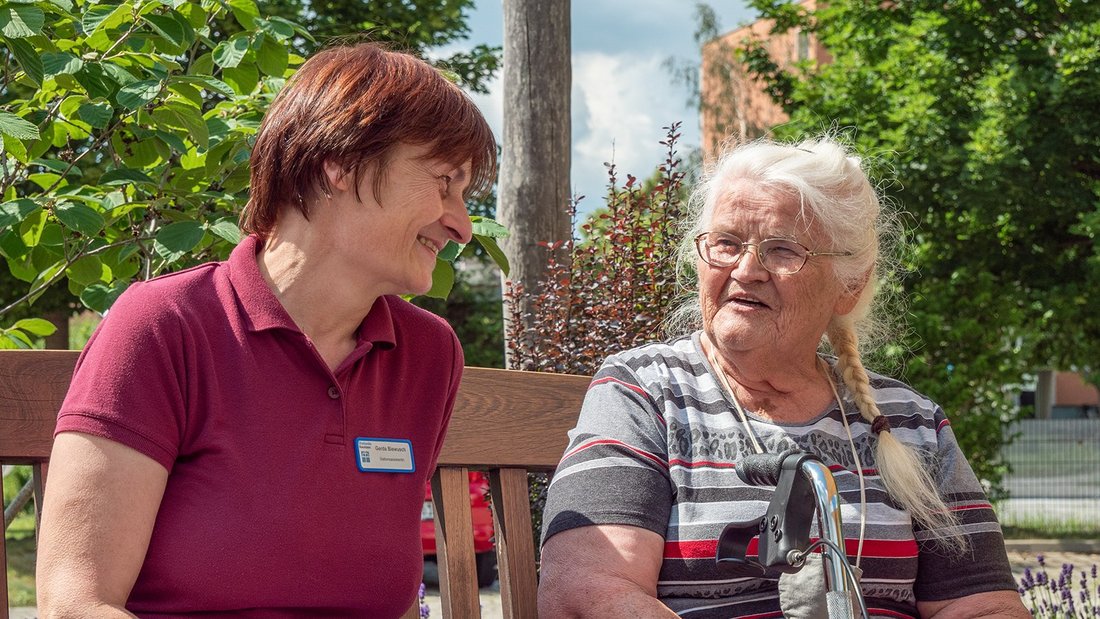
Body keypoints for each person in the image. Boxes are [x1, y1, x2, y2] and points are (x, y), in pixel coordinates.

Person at [35, 42, 496, 617]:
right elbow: (76, 605)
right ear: (342, 164)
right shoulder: (165, 326)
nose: (462, 225)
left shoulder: (427, 354)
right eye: (443, 183)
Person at [537, 137, 1029, 618]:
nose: (747, 269)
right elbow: (589, 592)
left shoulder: (907, 420)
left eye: (782, 251)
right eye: (726, 244)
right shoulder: (647, 391)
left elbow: (984, 606)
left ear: (850, 285)